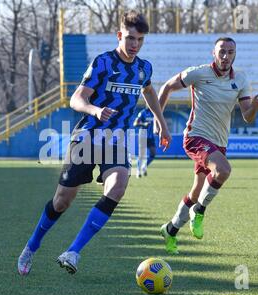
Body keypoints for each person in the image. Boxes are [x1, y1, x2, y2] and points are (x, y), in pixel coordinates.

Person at [17, 10, 171, 275]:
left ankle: (73, 252)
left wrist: (161, 121)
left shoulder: (145, 68)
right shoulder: (103, 63)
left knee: (118, 185)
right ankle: (31, 246)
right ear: (119, 35)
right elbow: (76, 99)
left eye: (140, 40)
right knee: (62, 201)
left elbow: (148, 90)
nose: (135, 44)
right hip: (88, 135)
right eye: (131, 38)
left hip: (117, 138)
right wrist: (95, 110)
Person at [157, 37, 258, 255]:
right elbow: (166, 87)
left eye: (230, 52)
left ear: (235, 54)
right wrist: (159, 124)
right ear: (213, 53)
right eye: (222, 51)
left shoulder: (241, 79)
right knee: (223, 170)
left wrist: (254, 107)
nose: (226, 56)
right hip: (196, 136)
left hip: (219, 142)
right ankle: (200, 211)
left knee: (196, 191)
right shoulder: (198, 73)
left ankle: (170, 230)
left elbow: (247, 117)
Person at [133, 107, 156, 178]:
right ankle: (138, 171)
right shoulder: (143, 112)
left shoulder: (155, 112)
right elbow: (135, 123)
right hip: (143, 135)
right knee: (142, 154)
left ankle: (144, 166)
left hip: (151, 137)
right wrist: (143, 124)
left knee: (153, 154)